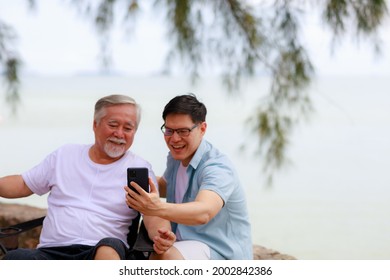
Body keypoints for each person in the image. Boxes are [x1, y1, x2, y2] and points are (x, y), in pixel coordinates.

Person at [0, 94, 175, 260]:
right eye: (113, 125)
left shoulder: (138, 168)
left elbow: (153, 212)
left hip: (102, 250)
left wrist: (162, 235)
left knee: (107, 251)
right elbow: (23, 184)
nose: (120, 134)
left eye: (128, 128)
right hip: (51, 251)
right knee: (15, 259)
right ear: (95, 124)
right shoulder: (65, 155)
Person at [126, 93, 252, 260]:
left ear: (202, 128)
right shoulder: (176, 156)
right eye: (169, 130)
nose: (175, 139)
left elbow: (204, 212)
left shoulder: (217, 168)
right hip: (185, 242)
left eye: (183, 131)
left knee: (163, 258)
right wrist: (121, 175)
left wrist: (156, 208)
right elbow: (166, 185)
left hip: (220, 251)